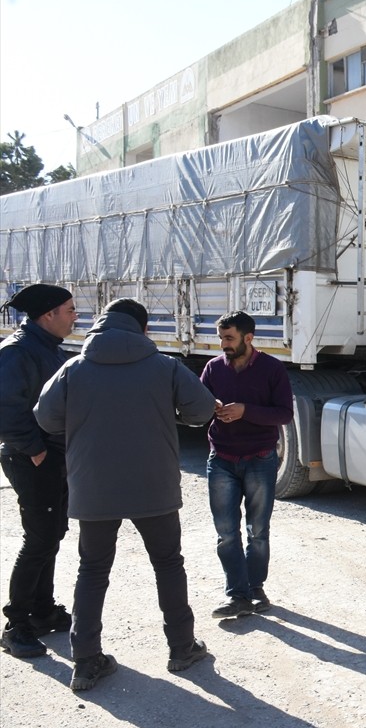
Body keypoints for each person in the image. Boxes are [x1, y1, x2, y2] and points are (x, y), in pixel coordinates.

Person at [35, 298, 215, 691]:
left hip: (94, 487)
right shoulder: (165, 367)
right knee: (168, 563)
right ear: (142, 329)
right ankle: (182, 648)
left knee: (92, 569)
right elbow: (202, 410)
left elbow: (45, 417)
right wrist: (174, 414)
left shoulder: (73, 369)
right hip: (154, 485)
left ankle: (85, 661)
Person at [0, 284, 77, 658]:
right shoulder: (17, 352)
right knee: (39, 537)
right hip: (32, 458)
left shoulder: (45, 347)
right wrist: (35, 452)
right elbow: (6, 409)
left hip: (52, 456)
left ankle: (42, 610)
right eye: (70, 309)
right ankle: (17, 625)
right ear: (49, 315)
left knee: (51, 533)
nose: (75, 316)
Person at [200, 311, 293, 619]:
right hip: (221, 460)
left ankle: (255, 590)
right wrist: (210, 408)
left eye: (229, 338)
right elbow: (198, 406)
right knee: (226, 533)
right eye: (221, 338)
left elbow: (283, 414)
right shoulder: (213, 368)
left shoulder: (272, 369)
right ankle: (237, 595)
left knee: (257, 531)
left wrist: (244, 411)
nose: (223, 344)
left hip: (259, 459)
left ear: (248, 338)